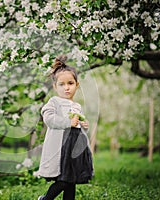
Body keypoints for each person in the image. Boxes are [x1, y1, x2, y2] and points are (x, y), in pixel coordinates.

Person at [37, 55, 94, 200]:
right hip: (61, 149)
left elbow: (77, 126)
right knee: (63, 180)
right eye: (62, 84)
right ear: (55, 87)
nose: (66, 87)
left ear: (77, 85)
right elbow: (49, 119)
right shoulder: (54, 102)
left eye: (70, 83)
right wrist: (68, 123)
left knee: (71, 180)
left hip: (73, 150)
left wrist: (83, 125)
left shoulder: (76, 106)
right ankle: (45, 199)